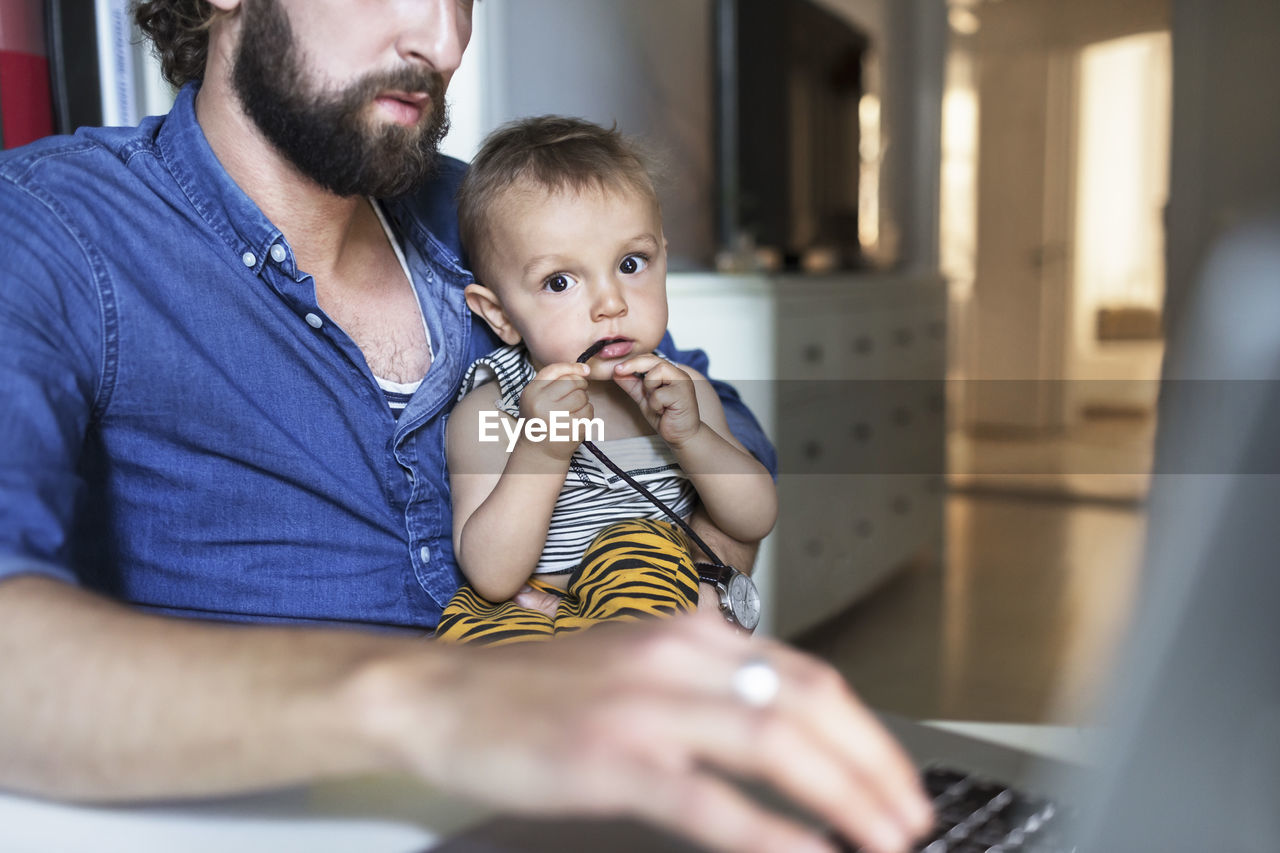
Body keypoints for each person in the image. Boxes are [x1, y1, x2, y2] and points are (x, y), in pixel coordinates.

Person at [0, 2, 932, 851]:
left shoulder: (481, 209)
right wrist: (452, 699)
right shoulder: (47, 228)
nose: (443, 43)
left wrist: (669, 567)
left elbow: (708, 417)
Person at [436, 117, 777, 644]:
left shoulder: (681, 393)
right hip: (526, 609)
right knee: (469, 627)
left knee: (636, 548)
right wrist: (542, 451)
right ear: (499, 314)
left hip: (644, 606)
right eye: (560, 282)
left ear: (663, 259)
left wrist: (693, 438)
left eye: (632, 263)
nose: (611, 303)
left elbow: (754, 518)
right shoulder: (489, 413)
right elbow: (492, 576)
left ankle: (610, 693)